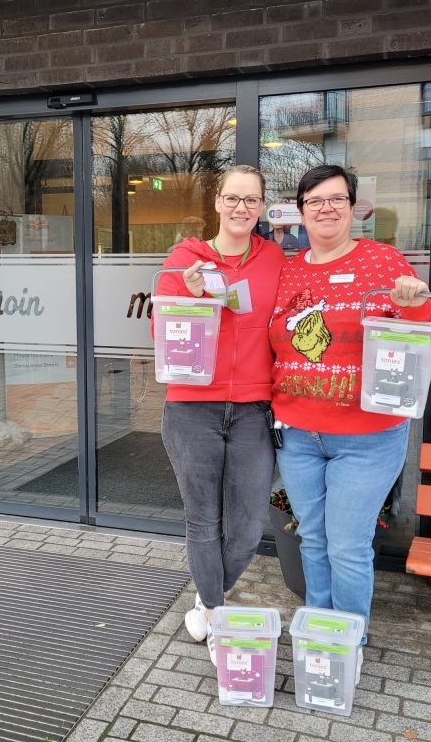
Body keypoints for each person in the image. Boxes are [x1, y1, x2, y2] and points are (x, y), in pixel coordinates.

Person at [269, 164, 431, 676]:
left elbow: (424, 331)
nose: (326, 208)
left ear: (352, 207)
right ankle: (320, 635)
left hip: (367, 437)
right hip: (298, 435)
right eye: (315, 201)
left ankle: (348, 644)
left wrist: (414, 305)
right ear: (301, 212)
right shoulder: (287, 270)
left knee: (346, 545)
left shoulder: (382, 262)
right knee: (314, 539)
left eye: (336, 199)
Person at [157, 165, 285, 662]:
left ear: (261, 207)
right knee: (203, 518)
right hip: (193, 407)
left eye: (251, 200)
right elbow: (161, 333)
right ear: (217, 202)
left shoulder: (274, 258)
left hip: (254, 406)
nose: (240, 208)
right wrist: (188, 296)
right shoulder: (184, 259)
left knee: (248, 527)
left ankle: (207, 597)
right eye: (232, 198)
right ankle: (214, 612)